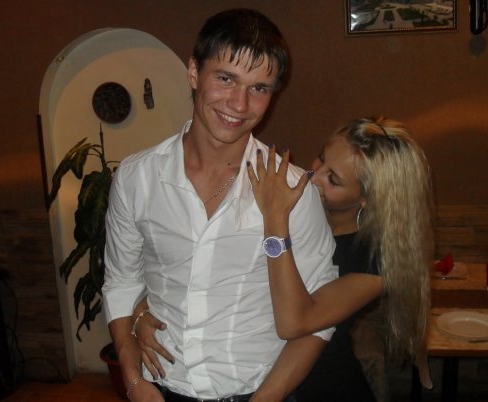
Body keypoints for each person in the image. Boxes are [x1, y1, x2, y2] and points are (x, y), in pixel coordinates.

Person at [102, 8, 337, 402]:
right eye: (226, 79)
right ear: (194, 72)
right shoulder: (136, 177)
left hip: (258, 391)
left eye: (259, 88)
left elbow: (319, 314)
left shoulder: (293, 190)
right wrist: (131, 375)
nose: (239, 104)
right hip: (162, 388)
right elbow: (122, 282)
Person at [247, 116, 434, 401]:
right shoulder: (304, 214)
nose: (314, 176)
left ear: (367, 198)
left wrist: (275, 220)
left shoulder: (374, 260)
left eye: (333, 179)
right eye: (321, 159)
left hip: (323, 388)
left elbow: (293, 322)